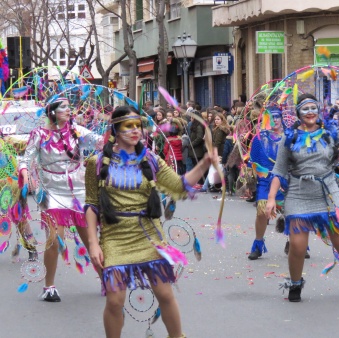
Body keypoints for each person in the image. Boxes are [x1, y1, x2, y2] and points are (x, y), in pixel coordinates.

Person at [84, 106, 218, 338]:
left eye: (138, 126)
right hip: (115, 237)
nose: (135, 131)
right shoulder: (96, 162)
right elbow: (91, 205)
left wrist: (205, 163)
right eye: (129, 126)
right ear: (115, 129)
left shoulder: (151, 159)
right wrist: (93, 244)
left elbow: (179, 185)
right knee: (115, 300)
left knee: (165, 294)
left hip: (148, 234)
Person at [265, 93, 339, 302]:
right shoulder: (290, 136)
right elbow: (279, 170)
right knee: (297, 244)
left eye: (313, 108)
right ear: (298, 113)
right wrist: (270, 199)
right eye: (305, 109)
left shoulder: (329, 132)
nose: (310, 112)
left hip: (328, 190)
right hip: (299, 191)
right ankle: (295, 283)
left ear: (318, 111)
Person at [19, 97, 102, 302]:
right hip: (53, 191)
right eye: (63, 107)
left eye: (69, 107)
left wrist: (118, 132)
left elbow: (101, 142)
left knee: (91, 239)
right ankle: (49, 287)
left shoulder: (77, 131)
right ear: (53, 112)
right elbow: (26, 157)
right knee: (55, 239)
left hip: (79, 191)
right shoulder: (39, 134)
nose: (68, 110)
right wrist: (24, 172)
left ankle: (106, 279)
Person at [247, 107, 284, 260]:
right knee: (262, 213)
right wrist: (249, 181)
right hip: (265, 180)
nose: (275, 120)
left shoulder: (289, 137)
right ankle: (258, 243)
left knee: (292, 214)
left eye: (277, 117)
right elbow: (252, 162)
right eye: (271, 117)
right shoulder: (259, 139)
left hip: (286, 179)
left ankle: (296, 243)